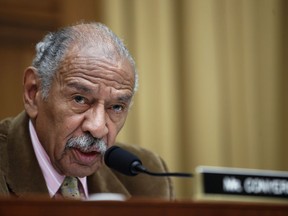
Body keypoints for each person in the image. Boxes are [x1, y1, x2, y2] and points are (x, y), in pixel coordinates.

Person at [0, 22, 174, 200]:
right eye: (79, 99)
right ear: (33, 92)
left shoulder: (147, 176)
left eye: (116, 107)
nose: (98, 128)